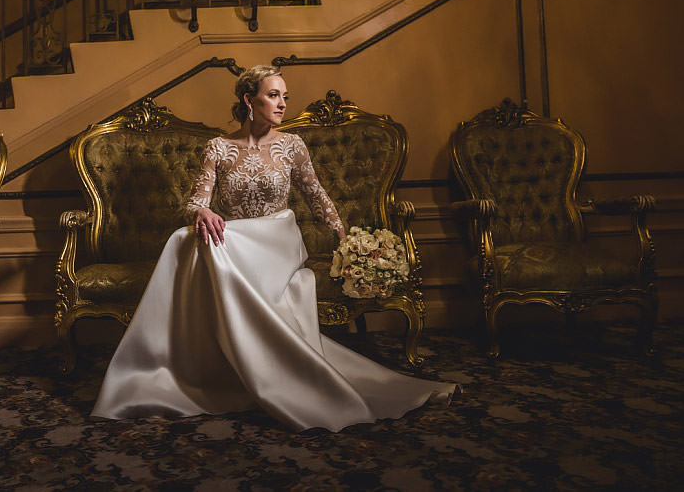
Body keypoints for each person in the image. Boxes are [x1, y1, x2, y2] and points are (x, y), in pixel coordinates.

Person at [91, 65, 456, 431]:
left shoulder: (292, 146)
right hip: (236, 242)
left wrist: (347, 240)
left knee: (206, 245)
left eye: (285, 96)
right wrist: (202, 210)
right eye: (273, 95)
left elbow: (317, 196)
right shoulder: (218, 148)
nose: (282, 103)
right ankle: (181, 366)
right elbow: (194, 201)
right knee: (186, 238)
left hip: (277, 242)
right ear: (250, 100)